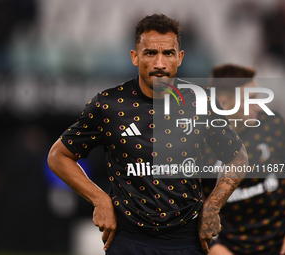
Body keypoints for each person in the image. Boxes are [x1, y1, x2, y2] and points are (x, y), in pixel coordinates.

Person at [47, 14, 248, 255]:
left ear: (180, 58)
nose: (160, 63)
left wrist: (213, 206)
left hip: (188, 242)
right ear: (135, 57)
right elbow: (58, 156)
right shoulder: (109, 104)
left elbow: (238, 157)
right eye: (150, 53)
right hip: (128, 241)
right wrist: (99, 199)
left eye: (168, 54)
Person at [202, 64, 285, 255]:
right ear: (223, 102)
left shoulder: (275, 125)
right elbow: (189, 207)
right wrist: (213, 247)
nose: (259, 104)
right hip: (232, 248)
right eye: (251, 98)